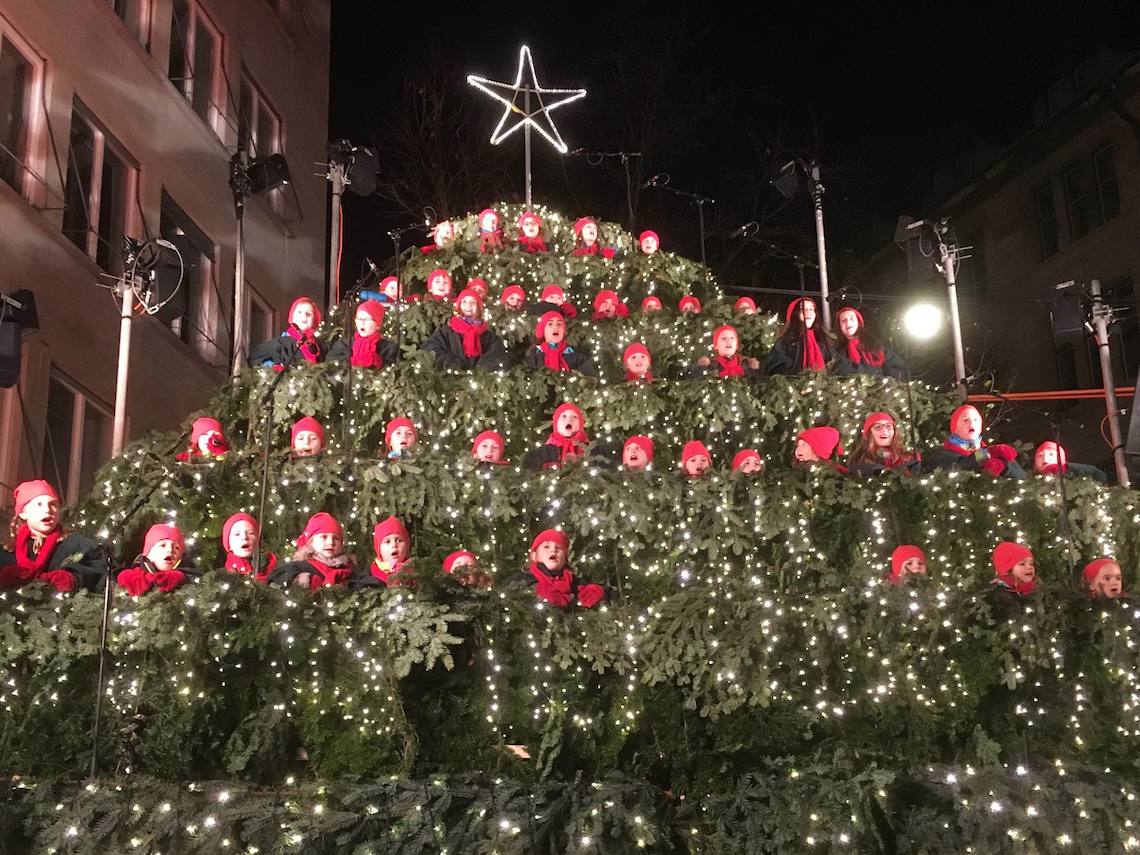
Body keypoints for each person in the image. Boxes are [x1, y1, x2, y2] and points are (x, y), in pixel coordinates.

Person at [0, 480, 104, 592]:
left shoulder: (76, 544)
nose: (47, 510)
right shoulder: (7, 552)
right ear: (23, 513)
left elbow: (99, 566)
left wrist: (73, 578)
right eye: (39, 504)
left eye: (53, 504)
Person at [509, 529, 606, 608]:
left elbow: (611, 594)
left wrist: (597, 592)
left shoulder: (574, 584)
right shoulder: (521, 581)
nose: (553, 550)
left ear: (565, 558)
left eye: (559, 547)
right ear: (534, 556)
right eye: (546, 546)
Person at [269, 513, 368, 590]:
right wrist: (301, 581)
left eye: (336, 538)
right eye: (324, 537)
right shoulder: (298, 567)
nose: (330, 542)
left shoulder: (350, 568)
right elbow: (276, 581)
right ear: (311, 542)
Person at [924, 405, 1025, 479]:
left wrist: (1003, 467)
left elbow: (1023, 481)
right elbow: (960, 468)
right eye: (965, 420)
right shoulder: (943, 455)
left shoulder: (997, 453)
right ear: (955, 427)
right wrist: (988, 453)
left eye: (976, 420)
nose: (971, 423)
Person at [421, 288, 507, 370]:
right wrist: (454, 365)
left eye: (473, 302)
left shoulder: (490, 337)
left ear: (479, 307)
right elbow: (431, 349)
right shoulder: (446, 332)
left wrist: (480, 372)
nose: (468, 305)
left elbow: (496, 356)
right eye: (464, 301)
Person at [764, 298, 837, 376]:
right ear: (795, 314)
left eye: (811, 309)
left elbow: (837, 362)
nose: (808, 312)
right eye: (803, 308)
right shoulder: (785, 341)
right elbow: (775, 367)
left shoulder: (823, 340)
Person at [116, 524, 194, 596]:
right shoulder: (130, 579)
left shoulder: (186, 583)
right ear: (148, 553)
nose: (170, 550)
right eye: (163, 545)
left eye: (176, 548)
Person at [249, 296, 326, 369]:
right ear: (292, 317)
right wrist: (274, 368)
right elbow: (257, 358)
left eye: (309, 314)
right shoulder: (282, 342)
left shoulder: (319, 345)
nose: (304, 316)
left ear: (315, 320)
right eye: (299, 312)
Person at [834, 306, 906, 380]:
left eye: (852, 318)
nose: (848, 322)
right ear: (839, 326)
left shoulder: (875, 346)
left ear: (858, 322)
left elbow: (896, 364)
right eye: (843, 320)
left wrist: (888, 381)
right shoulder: (837, 351)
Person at [327, 299, 400, 370]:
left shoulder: (389, 348)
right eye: (359, 319)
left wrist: (378, 363)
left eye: (367, 319)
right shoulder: (343, 345)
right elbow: (331, 366)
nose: (362, 323)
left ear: (378, 324)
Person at [847, 411, 920, 475]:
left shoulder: (910, 458)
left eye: (888, 426)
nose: (884, 430)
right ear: (869, 433)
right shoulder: (858, 461)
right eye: (878, 427)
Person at [525, 311, 596, 376]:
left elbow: (589, 381)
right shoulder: (534, 357)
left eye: (559, 324)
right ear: (542, 330)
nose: (556, 327)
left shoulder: (577, 358)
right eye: (550, 324)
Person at [523, 403, 589, 470]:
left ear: (580, 425)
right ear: (556, 423)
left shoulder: (587, 449)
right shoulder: (546, 451)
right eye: (564, 416)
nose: (569, 419)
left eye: (574, 417)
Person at [219, 512, 276, 582]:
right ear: (229, 545)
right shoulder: (225, 578)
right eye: (237, 534)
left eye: (250, 533)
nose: (244, 537)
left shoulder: (274, 571)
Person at [692, 325, 761, 377]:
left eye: (732, 338)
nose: (729, 341)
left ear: (736, 345)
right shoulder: (710, 366)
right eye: (724, 338)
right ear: (716, 345)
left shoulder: (748, 365)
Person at [1032, 440, 1107, 483]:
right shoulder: (1034, 482)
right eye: (1040, 455)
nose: (1045, 458)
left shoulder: (1077, 470)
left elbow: (1097, 474)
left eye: (1051, 454)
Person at [368, 516, 413, 586]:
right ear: (379, 550)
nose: (394, 545)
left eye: (399, 540)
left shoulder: (417, 574)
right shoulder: (369, 579)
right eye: (388, 542)